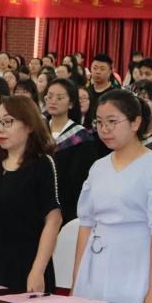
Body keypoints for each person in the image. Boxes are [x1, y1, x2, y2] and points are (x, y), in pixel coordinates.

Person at [71, 90, 152, 303]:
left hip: (136, 266)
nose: (104, 129)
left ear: (135, 122)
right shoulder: (98, 167)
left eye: (112, 122)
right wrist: (77, 281)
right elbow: (86, 225)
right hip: (97, 264)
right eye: (99, 122)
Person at [0, 96, 62, 295]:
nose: (0, 129)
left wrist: (37, 271)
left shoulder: (42, 164)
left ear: (29, 126)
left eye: (8, 122)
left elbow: (54, 220)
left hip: (26, 265)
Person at [45, 79, 103, 223]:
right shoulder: (38, 131)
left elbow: (80, 179)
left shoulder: (81, 137)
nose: (53, 101)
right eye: (49, 96)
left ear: (71, 103)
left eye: (60, 98)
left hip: (67, 208)